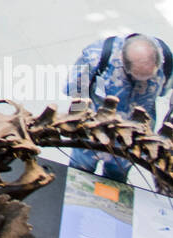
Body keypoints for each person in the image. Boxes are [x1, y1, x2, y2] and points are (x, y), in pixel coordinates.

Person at [65, 33, 173, 182]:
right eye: (139, 77)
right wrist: (75, 125)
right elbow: (78, 91)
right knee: (78, 176)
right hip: (92, 135)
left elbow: (166, 93)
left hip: (130, 142)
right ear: (124, 64)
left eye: (150, 77)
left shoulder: (166, 60)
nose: (145, 81)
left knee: (116, 181)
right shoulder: (96, 56)